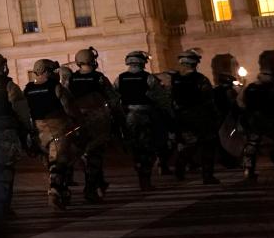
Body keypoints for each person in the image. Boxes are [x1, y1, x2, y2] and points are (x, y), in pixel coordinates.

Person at [0, 53, 39, 216]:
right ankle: (3, 205)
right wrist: (28, 130)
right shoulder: (8, 85)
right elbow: (21, 111)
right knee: (5, 169)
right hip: (5, 131)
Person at [63, 47, 121, 203]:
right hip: (98, 119)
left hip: (78, 120)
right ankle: (90, 189)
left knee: (84, 154)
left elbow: (66, 99)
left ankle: (99, 183)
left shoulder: (71, 79)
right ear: (92, 61)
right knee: (95, 154)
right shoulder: (99, 78)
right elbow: (114, 99)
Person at [23, 59, 79, 210]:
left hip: (38, 131)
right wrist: (77, 122)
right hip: (58, 127)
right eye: (53, 71)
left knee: (51, 164)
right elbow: (69, 107)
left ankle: (60, 191)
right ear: (47, 71)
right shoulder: (55, 86)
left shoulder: (28, 88)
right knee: (59, 163)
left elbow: (24, 111)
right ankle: (54, 193)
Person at [116, 51, 172, 191]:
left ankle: (140, 171)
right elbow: (161, 99)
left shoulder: (120, 78)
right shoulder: (149, 78)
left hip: (128, 117)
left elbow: (114, 97)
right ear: (142, 62)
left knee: (135, 148)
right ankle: (145, 179)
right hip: (146, 116)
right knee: (147, 147)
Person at [170, 49, 219, 183]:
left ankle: (180, 166)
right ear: (195, 63)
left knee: (189, 143)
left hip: (182, 117)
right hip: (200, 116)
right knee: (207, 145)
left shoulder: (174, 79)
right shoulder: (200, 79)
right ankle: (207, 176)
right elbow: (209, 98)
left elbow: (169, 99)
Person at [238, 50, 274, 182]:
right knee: (259, 143)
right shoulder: (269, 89)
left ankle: (249, 169)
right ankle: (250, 169)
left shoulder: (251, 87)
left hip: (257, 119)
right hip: (264, 119)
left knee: (253, 144)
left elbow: (240, 102)